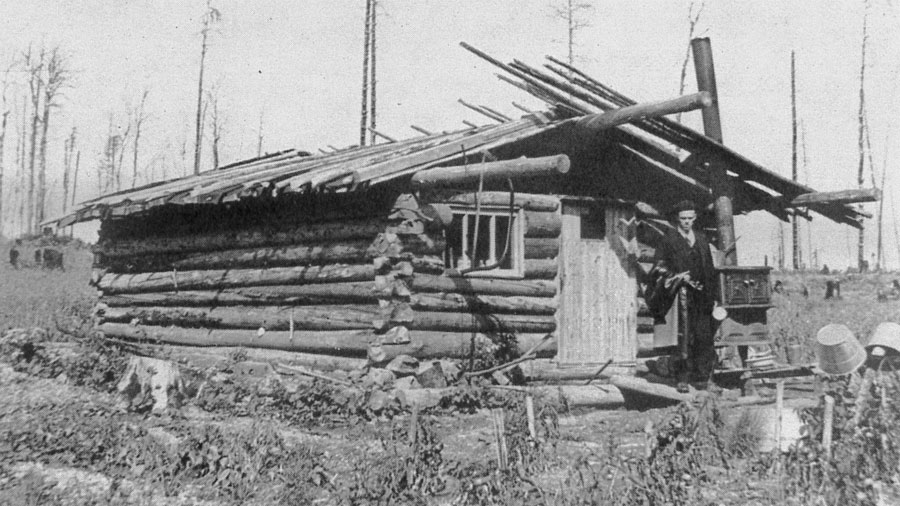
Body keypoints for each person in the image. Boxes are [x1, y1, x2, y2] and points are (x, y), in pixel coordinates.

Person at [647, 200, 718, 393]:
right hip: (680, 296)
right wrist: (678, 277)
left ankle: (702, 378)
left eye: (690, 218)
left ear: (695, 218)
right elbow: (658, 267)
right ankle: (682, 378)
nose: (686, 222)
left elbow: (710, 269)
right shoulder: (668, 240)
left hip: (702, 295)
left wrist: (714, 296)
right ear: (677, 220)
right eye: (683, 219)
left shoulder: (702, 239)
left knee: (703, 336)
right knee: (683, 337)